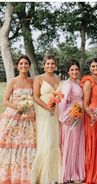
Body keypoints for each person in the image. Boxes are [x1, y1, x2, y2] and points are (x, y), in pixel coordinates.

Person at [0, 55, 36, 184]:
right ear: (17, 66)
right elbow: (5, 101)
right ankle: (9, 175)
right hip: (14, 117)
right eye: (21, 64)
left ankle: (26, 175)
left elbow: (37, 97)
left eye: (26, 63)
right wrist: (19, 107)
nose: (23, 66)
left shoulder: (33, 81)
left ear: (29, 65)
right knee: (12, 145)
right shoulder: (13, 81)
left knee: (27, 145)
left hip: (29, 118)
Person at [30, 55, 61, 184]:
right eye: (47, 63)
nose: (50, 66)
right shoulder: (39, 78)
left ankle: (54, 174)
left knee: (55, 141)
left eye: (52, 63)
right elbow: (35, 97)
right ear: (44, 65)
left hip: (56, 113)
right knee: (46, 141)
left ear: (55, 65)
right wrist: (48, 108)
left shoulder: (58, 78)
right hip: (44, 112)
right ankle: (41, 175)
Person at [59, 59, 85, 183]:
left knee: (78, 145)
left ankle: (76, 172)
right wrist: (68, 115)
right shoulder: (67, 84)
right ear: (68, 72)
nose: (74, 72)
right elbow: (63, 102)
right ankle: (68, 174)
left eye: (76, 69)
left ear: (79, 71)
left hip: (80, 118)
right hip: (71, 117)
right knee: (70, 144)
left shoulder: (79, 83)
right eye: (72, 70)